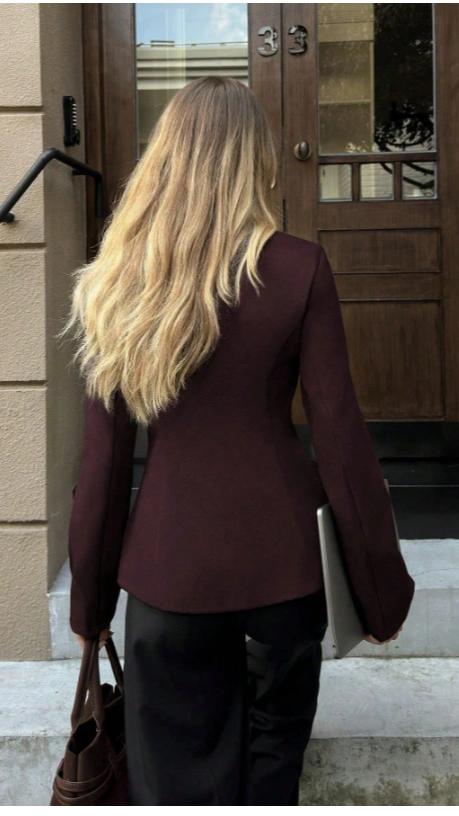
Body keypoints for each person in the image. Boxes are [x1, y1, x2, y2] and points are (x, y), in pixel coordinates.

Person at [57, 76, 415, 806]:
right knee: (269, 781)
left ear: (164, 157)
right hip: (283, 583)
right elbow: (343, 447)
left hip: (167, 580)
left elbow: (104, 468)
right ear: (255, 160)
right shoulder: (298, 268)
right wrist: (381, 598)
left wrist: (90, 608)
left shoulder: (120, 282)